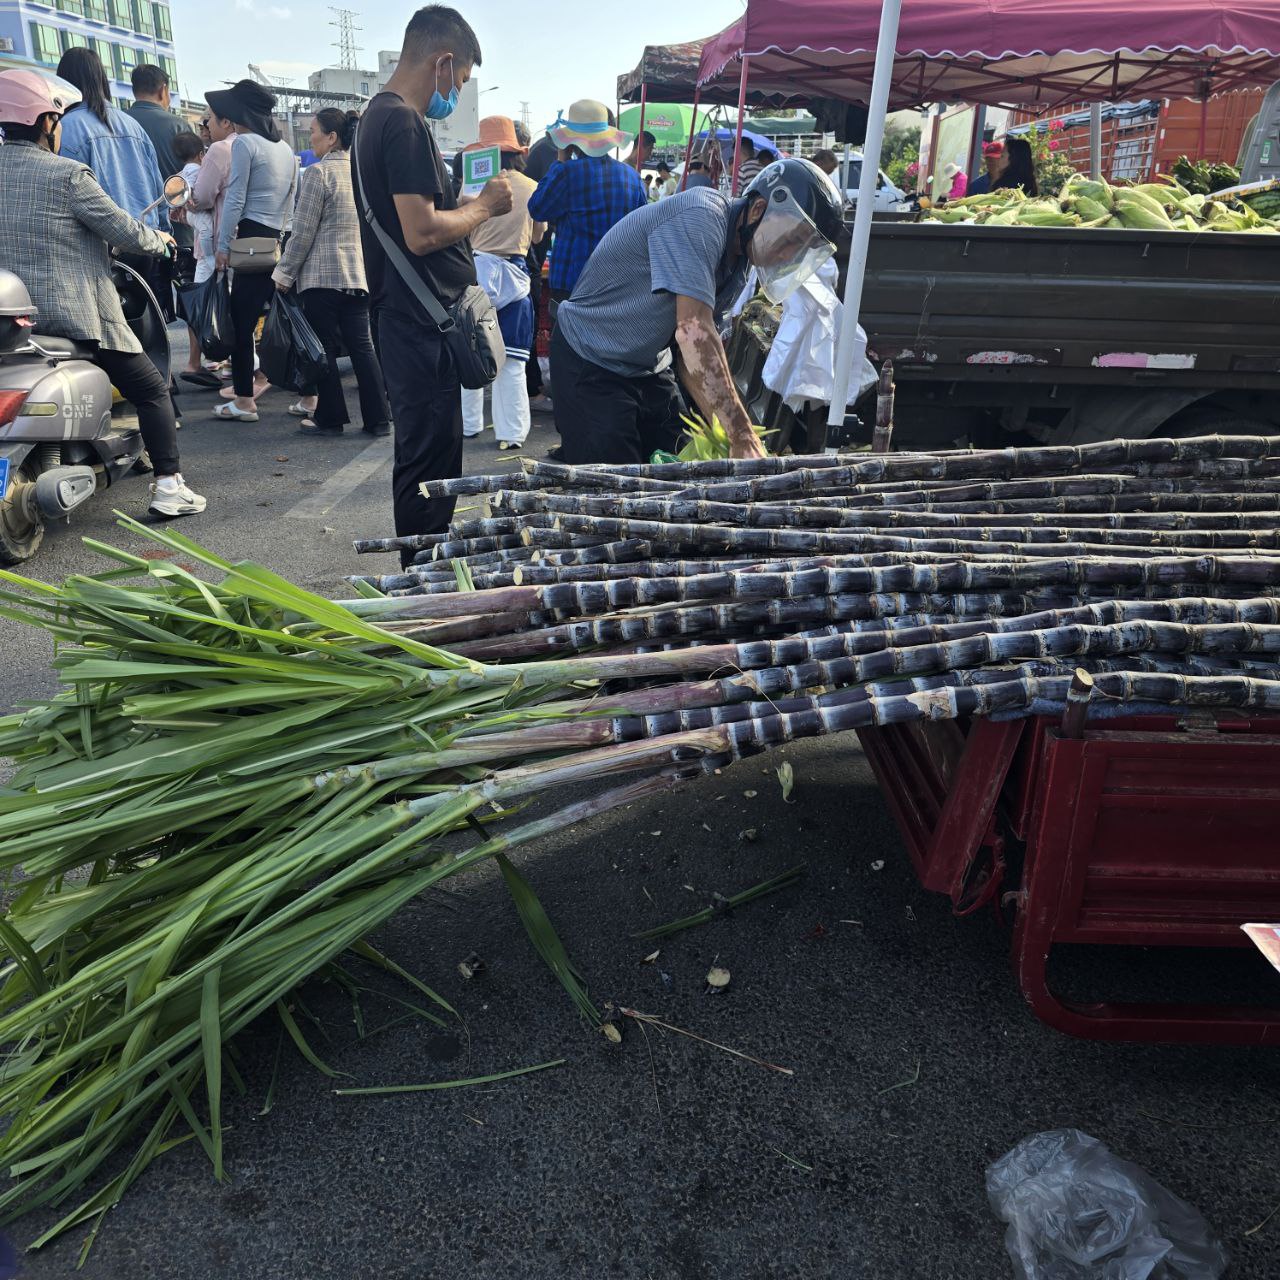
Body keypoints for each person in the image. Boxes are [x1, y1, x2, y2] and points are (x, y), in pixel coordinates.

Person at [0, 69, 205, 518]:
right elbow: (121, 228)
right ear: (45, 123)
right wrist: (161, 240)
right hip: (72, 315)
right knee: (152, 389)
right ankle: (169, 486)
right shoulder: (68, 176)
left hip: (11, 323)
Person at [352, 4, 513, 564]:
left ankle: (424, 577)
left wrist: (460, 207)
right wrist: (486, 207)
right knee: (428, 465)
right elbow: (421, 234)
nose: (458, 92)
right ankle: (421, 587)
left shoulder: (375, 117)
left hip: (406, 318)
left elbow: (412, 218)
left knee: (426, 456)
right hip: (421, 325)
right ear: (443, 62)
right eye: (462, 79)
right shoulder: (404, 122)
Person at [551, 157, 842, 464]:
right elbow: (694, 333)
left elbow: (691, 357)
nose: (788, 255)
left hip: (648, 366)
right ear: (758, 211)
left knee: (681, 459)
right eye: (792, 240)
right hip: (589, 359)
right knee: (613, 480)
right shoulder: (700, 217)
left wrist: (722, 425)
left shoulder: (738, 264)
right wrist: (741, 435)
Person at [272, 108, 391, 438]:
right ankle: (379, 418)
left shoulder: (317, 174)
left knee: (322, 347)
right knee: (363, 348)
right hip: (358, 275)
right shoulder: (363, 175)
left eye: (313, 131)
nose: (310, 138)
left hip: (322, 277)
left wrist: (284, 274)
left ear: (331, 137)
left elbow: (304, 232)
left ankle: (331, 417)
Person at [206, 79, 297, 422]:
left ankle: (245, 399)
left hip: (250, 240)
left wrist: (224, 245)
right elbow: (292, 199)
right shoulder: (286, 149)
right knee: (287, 318)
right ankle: (311, 393)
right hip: (278, 238)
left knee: (242, 324)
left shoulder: (245, 144)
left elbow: (235, 199)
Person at [459, 115, 545, 452]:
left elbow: (459, 230)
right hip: (515, 276)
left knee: (471, 353)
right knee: (513, 362)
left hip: (475, 275)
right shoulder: (532, 187)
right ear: (516, 151)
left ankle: (469, 425)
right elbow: (538, 236)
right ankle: (511, 434)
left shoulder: (471, 188)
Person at [526, 100, 646, 306]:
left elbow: (537, 208)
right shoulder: (632, 178)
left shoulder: (567, 173)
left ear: (571, 142)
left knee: (568, 337)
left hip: (572, 283)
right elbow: (641, 229)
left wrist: (560, 161)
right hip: (615, 282)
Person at [55, 48, 165, 225]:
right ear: (101, 79)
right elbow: (160, 196)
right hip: (147, 238)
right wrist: (163, 238)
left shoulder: (65, 127)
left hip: (100, 246)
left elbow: (64, 198)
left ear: (63, 82)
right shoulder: (134, 127)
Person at [184, 107, 235, 388]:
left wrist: (187, 204)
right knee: (236, 305)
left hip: (216, 244)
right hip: (251, 240)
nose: (205, 127)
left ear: (225, 121)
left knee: (203, 300)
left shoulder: (218, 151)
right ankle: (234, 365)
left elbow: (201, 198)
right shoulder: (262, 146)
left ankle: (206, 360)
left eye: (207, 121)